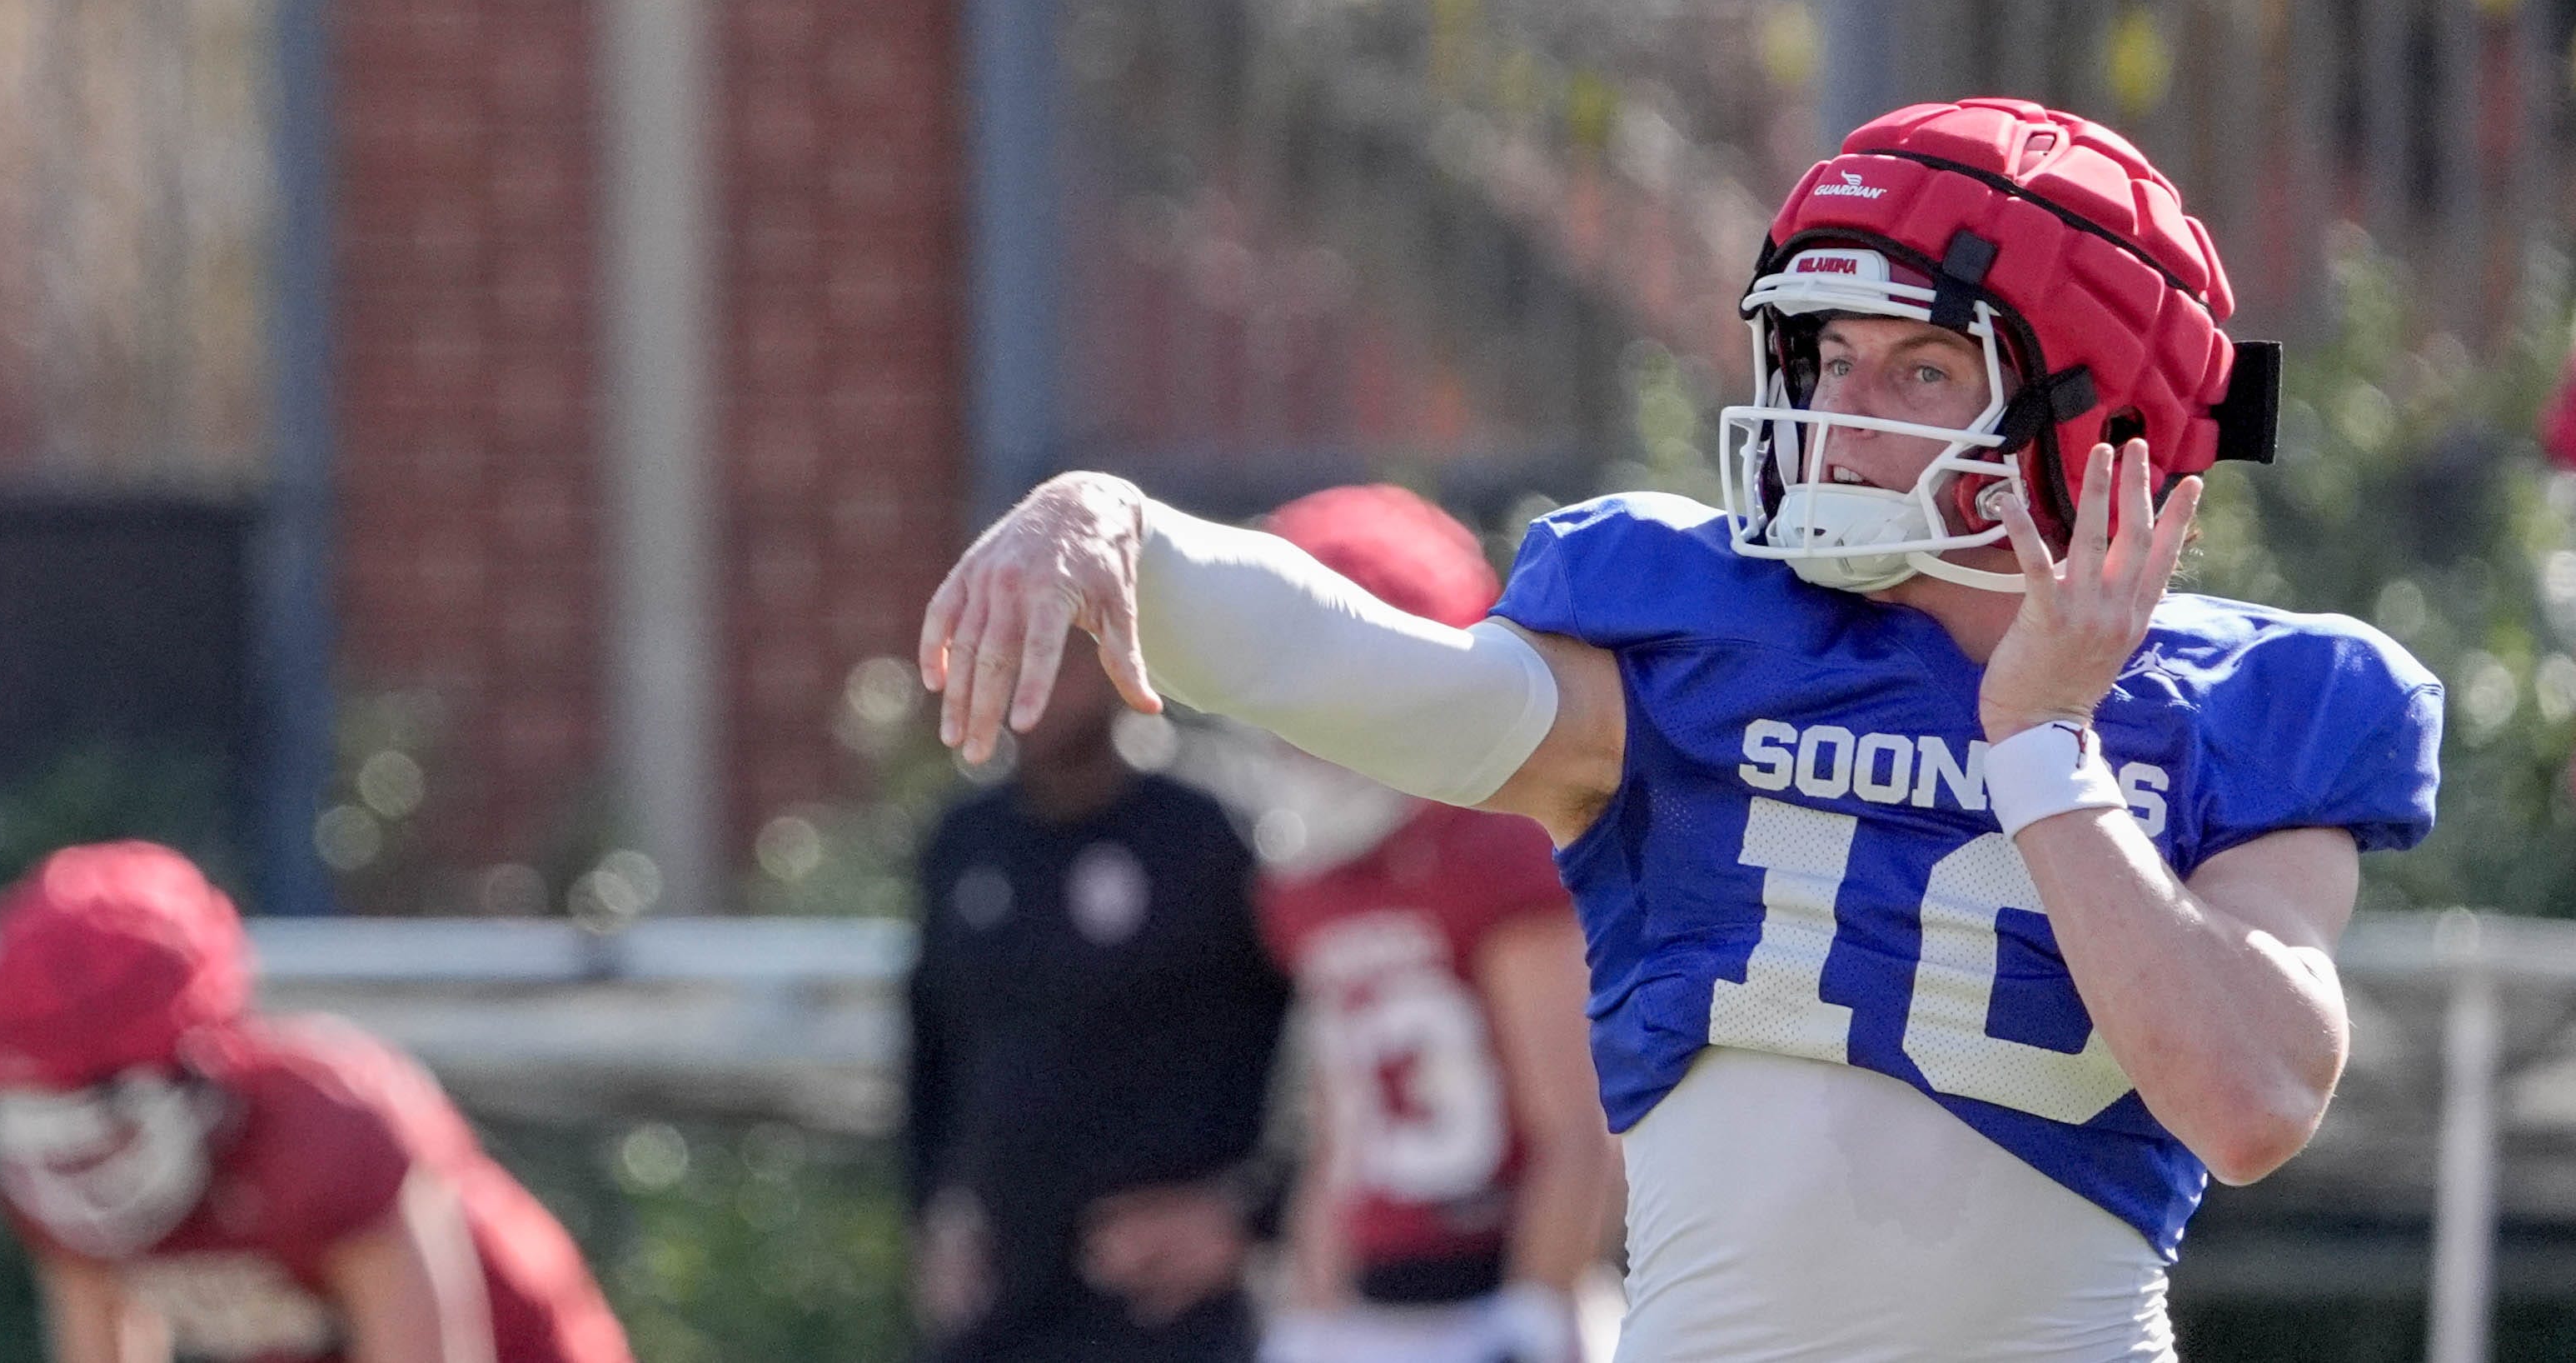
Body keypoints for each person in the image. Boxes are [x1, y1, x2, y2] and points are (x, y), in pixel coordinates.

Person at [918, 98, 2445, 1362]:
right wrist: (1125, 531)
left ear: (2088, 410)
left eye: (1916, 365)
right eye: (1825, 357)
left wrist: (2037, 740)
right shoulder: (1694, 647)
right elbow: (1391, 675)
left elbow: (2249, 1097)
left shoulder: (2240, 705)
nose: (1843, 417)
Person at [0, 841, 631, 1363]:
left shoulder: (328, 1127)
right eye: (46, 1124)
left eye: (106, 1119)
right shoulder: (56, 1179)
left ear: (199, 1068)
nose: (78, 1160)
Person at [1248, 486, 1615, 1363]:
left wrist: (1534, 1308)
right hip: (1376, 1302)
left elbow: (1580, 1121)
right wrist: (1312, 1308)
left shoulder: (1492, 848)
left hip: (1496, 1290)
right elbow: (1341, 1126)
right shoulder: (1315, 877)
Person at [906, 638, 1294, 1363]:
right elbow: (931, 1048)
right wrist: (933, 1213)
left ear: (1124, 665)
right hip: (1001, 1305)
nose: (1033, 682)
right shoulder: (963, 841)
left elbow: (1327, 1038)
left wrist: (1251, 1216)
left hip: (1170, 1311)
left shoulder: (1217, 835)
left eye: (1058, 654)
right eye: (1006, 655)